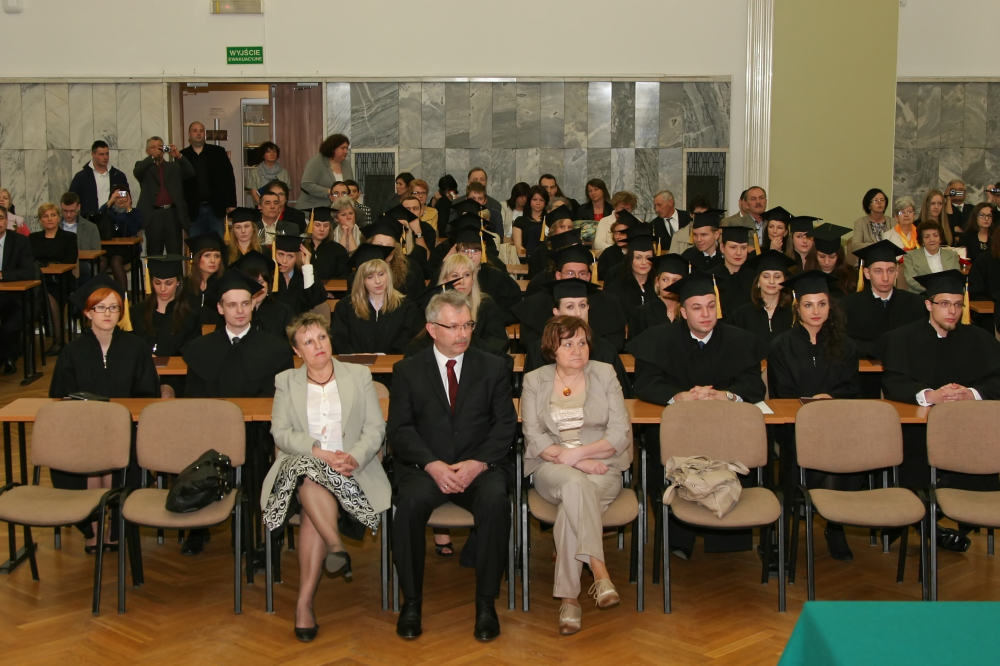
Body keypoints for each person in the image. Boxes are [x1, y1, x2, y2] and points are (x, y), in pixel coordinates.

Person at [387, 289, 517, 641]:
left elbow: (505, 425)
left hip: (479, 468)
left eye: (468, 325)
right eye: (454, 327)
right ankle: (411, 603)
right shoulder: (408, 370)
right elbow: (399, 430)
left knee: (495, 502)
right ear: (432, 329)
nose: (463, 334)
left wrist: (479, 463)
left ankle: (486, 603)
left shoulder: (493, 367)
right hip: (427, 469)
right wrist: (432, 465)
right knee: (408, 506)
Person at [262, 313, 391, 642]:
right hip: (303, 464)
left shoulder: (358, 375)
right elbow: (281, 433)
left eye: (322, 337)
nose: (318, 345)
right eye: (308, 341)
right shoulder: (286, 381)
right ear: (297, 351)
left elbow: (375, 428)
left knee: (311, 504)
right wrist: (319, 453)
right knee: (309, 475)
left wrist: (353, 456)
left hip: (351, 469)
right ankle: (333, 545)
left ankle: (304, 603)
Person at [628, 271, 768, 560]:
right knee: (658, 448)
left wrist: (727, 395)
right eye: (697, 307)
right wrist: (677, 396)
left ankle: (728, 539)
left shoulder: (740, 340)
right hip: (679, 432)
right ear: (683, 312)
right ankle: (678, 539)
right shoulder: (658, 339)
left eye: (711, 306)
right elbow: (645, 382)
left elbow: (753, 384)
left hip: (727, 431)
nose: (706, 314)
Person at [874, 269, 1000, 553]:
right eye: (944, 303)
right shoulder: (902, 338)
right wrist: (929, 395)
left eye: (957, 304)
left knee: (979, 464)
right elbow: (893, 381)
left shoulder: (979, 339)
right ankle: (927, 523)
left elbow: (997, 378)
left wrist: (971, 393)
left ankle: (931, 519)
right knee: (914, 462)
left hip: (968, 432)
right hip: (921, 430)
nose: (952, 311)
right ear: (928, 304)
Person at [520, 315, 630, 635]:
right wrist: (577, 463)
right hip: (550, 467)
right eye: (567, 344)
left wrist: (579, 455)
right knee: (574, 481)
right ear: (551, 349)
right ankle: (599, 570)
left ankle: (569, 600)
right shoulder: (534, 380)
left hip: (603, 466)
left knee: (573, 499)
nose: (577, 350)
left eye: (582, 343)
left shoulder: (604, 373)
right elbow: (534, 437)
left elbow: (620, 433)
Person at [180, 270, 295, 556]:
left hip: (257, 433)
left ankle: (250, 532)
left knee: (256, 460)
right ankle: (197, 527)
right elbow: (194, 398)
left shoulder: (276, 349)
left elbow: (278, 399)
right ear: (220, 309)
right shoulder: (199, 350)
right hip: (210, 432)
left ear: (254, 304)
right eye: (232, 305)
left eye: (245, 303)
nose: (240, 311)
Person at [49, 275, 160, 552]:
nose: (107, 313)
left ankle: (115, 525)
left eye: (113, 307)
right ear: (88, 312)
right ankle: (93, 527)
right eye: (100, 308)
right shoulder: (72, 351)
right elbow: (60, 396)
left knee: (118, 453)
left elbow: (148, 392)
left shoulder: (135, 347)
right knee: (89, 456)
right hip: (82, 429)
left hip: (126, 427)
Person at [769, 270, 860, 560]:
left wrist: (828, 399)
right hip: (795, 424)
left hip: (837, 422)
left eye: (822, 303)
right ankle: (824, 520)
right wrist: (808, 405)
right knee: (817, 447)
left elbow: (851, 387)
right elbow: (782, 390)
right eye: (808, 305)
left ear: (830, 306)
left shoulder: (846, 345)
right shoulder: (781, 345)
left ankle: (834, 524)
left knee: (835, 446)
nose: (816, 311)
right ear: (797, 308)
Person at [842, 240, 925, 398]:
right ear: (867, 273)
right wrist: (874, 350)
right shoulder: (848, 305)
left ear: (897, 272)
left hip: (904, 377)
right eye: (878, 271)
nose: (886, 277)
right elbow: (843, 341)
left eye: (890, 270)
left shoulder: (916, 304)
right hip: (862, 379)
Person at [523, 279, 631, 396]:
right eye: (570, 306)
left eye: (582, 305)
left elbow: (622, 395)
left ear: (588, 308)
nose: (578, 313)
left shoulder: (605, 350)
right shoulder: (538, 350)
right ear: (556, 312)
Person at [514, 242, 628, 352]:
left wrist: (584, 352)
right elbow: (531, 342)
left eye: (582, 273)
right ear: (558, 275)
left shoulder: (609, 302)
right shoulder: (536, 303)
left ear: (588, 276)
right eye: (570, 273)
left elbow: (614, 342)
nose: (576, 277)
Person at [129, 255, 200, 398]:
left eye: (168, 283)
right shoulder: (137, 312)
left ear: (178, 282)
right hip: (141, 372)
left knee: (165, 393)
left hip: (174, 376)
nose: (162, 289)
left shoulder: (190, 317)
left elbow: (192, 353)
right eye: (157, 282)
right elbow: (128, 344)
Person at [331, 244, 418, 355]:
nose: (378, 281)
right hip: (354, 364)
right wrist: (358, 357)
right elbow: (339, 341)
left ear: (388, 275)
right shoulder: (345, 307)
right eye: (370, 277)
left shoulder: (406, 307)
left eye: (381, 274)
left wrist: (384, 357)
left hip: (393, 364)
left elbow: (408, 341)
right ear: (361, 280)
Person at [29, 202, 78, 356]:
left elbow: (70, 260)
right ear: (40, 220)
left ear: (58, 218)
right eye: (45, 216)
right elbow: (29, 260)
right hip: (39, 280)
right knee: (37, 293)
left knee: (48, 294)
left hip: (61, 280)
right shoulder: (33, 238)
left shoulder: (69, 237)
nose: (49, 219)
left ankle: (59, 341)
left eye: (53, 215)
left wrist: (48, 265)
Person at [134, 136, 195, 255]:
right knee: (154, 253)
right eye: (153, 147)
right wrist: (152, 158)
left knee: (175, 251)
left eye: (160, 147)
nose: (157, 150)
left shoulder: (174, 166)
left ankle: (176, 269)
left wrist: (178, 156)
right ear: (147, 151)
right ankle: (154, 269)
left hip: (173, 214)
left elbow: (190, 172)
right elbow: (137, 171)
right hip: (153, 215)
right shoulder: (143, 166)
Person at [180, 121, 237, 238]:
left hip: (215, 208)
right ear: (189, 134)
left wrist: (231, 204)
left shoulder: (218, 152)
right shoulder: (182, 156)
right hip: (193, 210)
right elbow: (179, 184)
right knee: (196, 245)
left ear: (205, 134)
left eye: (201, 131)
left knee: (217, 244)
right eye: (195, 131)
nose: (198, 133)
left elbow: (229, 179)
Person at [729, 250, 796, 345]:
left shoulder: (793, 313)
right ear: (758, 282)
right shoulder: (742, 314)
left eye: (777, 277)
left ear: (784, 281)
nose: (771, 281)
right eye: (766, 276)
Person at [0, 204, 36, 375]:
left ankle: (7, 355)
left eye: (0, 218)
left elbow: (29, 271)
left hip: (15, 297)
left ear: (6, 220)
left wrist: (2, 275)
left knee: (9, 327)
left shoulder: (20, 241)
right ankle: (8, 355)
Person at [231, 250, 295, 341]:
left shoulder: (283, 312)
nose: (257, 288)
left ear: (268, 284)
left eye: (261, 282)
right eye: (251, 282)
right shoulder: (233, 312)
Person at [628, 253, 688, 339]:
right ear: (657, 282)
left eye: (675, 281)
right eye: (665, 280)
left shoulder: (689, 313)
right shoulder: (642, 313)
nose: (669, 285)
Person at [603, 225, 656, 321]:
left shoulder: (659, 286)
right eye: (638, 258)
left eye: (648, 258)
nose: (644, 262)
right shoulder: (616, 289)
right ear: (630, 259)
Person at [363, 217, 425, 297]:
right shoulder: (359, 275)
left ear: (395, 249)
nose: (385, 249)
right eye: (379, 245)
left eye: (389, 245)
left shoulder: (409, 275)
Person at [96, 183, 142, 289]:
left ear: (129, 197)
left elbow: (134, 229)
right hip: (108, 249)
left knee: (116, 261)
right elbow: (97, 218)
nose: (121, 199)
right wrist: (109, 202)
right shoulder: (108, 213)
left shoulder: (135, 212)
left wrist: (128, 209)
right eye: (117, 197)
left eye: (123, 196)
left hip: (127, 249)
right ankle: (96, 293)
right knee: (102, 262)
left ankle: (122, 295)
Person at [273, 231, 329, 316]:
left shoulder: (304, 275)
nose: (284, 261)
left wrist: (307, 266)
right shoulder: (269, 277)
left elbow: (313, 300)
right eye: (280, 254)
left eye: (290, 256)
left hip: (299, 322)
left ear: (298, 257)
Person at [69, 140, 129, 217]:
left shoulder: (118, 176)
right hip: (89, 219)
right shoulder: (81, 177)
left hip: (114, 218)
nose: (105, 157)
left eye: (107, 154)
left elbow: (126, 196)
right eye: (101, 154)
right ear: (93, 155)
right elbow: (73, 200)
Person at [708, 224, 756, 317]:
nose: (739, 253)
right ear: (722, 247)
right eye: (733, 247)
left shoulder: (754, 278)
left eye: (743, 247)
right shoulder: (711, 277)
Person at [903, 220, 961, 294]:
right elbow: (911, 280)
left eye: (935, 235)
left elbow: (956, 279)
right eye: (927, 237)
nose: (932, 239)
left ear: (940, 239)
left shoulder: (952, 255)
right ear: (922, 241)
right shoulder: (910, 256)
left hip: (947, 294)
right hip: (922, 295)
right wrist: (934, 290)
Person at [298, 134, 354, 210]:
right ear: (332, 148)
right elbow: (306, 184)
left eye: (347, 148)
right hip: (313, 209)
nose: (346, 151)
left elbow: (350, 185)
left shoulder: (346, 164)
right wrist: (330, 192)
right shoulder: (317, 161)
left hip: (340, 209)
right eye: (343, 148)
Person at [59, 192, 103, 281]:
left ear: (78, 207)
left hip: (82, 263)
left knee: (81, 270)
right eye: (65, 211)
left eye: (72, 211)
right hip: (59, 264)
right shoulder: (55, 225)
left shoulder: (91, 227)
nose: (68, 214)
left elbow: (97, 254)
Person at [184, 232, 226, 325]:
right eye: (207, 255)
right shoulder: (184, 285)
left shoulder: (224, 286)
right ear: (197, 258)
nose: (213, 260)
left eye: (217, 256)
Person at [805, 224, 854, 297]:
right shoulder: (807, 277)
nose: (826, 262)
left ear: (839, 256)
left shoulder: (851, 277)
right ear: (815, 256)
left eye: (832, 257)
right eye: (822, 256)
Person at [529, 207, 578, 281]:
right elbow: (535, 281)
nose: (566, 231)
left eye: (570, 227)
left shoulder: (577, 251)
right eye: (562, 227)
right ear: (553, 229)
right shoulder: (539, 253)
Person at [303, 207, 351, 281]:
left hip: (332, 288)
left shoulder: (338, 250)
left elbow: (344, 276)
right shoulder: (301, 248)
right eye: (317, 225)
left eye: (326, 226)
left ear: (329, 228)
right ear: (310, 226)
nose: (322, 229)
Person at [848, 188, 891, 264]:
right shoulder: (860, 223)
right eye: (875, 200)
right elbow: (856, 245)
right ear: (869, 205)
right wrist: (876, 246)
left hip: (888, 260)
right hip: (868, 261)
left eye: (882, 200)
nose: (879, 203)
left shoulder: (893, 221)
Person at [594, 212, 636, 282]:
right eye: (615, 233)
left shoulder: (640, 253)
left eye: (622, 233)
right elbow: (603, 277)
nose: (617, 237)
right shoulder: (608, 254)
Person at [511, 185, 549, 258]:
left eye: (541, 200)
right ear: (529, 200)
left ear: (545, 202)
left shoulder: (550, 220)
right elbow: (518, 246)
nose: (538, 203)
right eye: (534, 199)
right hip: (525, 258)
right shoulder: (520, 221)